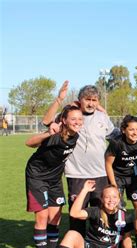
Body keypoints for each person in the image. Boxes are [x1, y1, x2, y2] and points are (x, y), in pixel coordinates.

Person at [42, 82, 118, 236]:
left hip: (100, 174)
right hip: (76, 175)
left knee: (101, 213)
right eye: (87, 99)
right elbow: (46, 122)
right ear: (80, 100)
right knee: (77, 215)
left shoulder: (102, 117)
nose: (91, 103)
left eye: (94, 100)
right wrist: (59, 100)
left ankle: (101, 246)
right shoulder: (71, 116)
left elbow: (116, 137)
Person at [38, 181, 134, 248]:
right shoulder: (96, 211)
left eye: (114, 197)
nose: (111, 200)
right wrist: (84, 190)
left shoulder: (126, 217)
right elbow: (74, 213)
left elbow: (127, 238)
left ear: (119, 198)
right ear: (102, 199)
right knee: (72, 234)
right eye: (107, 197)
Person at [25, 105, 83, 248]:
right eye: (73, 119)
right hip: (37, 177)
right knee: (42, 217)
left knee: (55, 217)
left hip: (55, 179)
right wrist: (48, 133)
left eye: (80, 119)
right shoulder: (56, 136)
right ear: (64, 120)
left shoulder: (75, 135)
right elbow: (29, 143)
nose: (77, 122)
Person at [105, 115, 137, 248]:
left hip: (135, 177)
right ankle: (118, 244)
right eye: (131, 129)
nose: (135, 132)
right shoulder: (116, 143)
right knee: (119, 211)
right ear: (123, 130)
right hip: (118, 178)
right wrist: (113, 185)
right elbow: (108, 164)